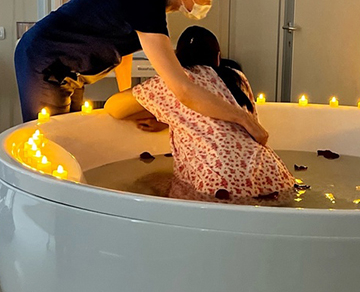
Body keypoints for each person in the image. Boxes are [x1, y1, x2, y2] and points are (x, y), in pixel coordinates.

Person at [15, 0, 268, 145]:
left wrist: (128, 99)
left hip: (72, 70)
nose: (208, 3)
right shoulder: (144, 1)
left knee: (70, 133)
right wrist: (242, 117)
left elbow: (122, 51)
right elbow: (182, 88)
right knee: (51, 139)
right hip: (46, 60)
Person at [104, 26, 295, 200]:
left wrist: (163, 114)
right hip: (273, 175)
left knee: (149, 180)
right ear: (218, 57)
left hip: (219, 182)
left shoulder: (176, 83)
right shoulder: (237, 78)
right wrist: (167, 118)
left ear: (176, 58)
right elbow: (220, 123)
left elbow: (113, 108)